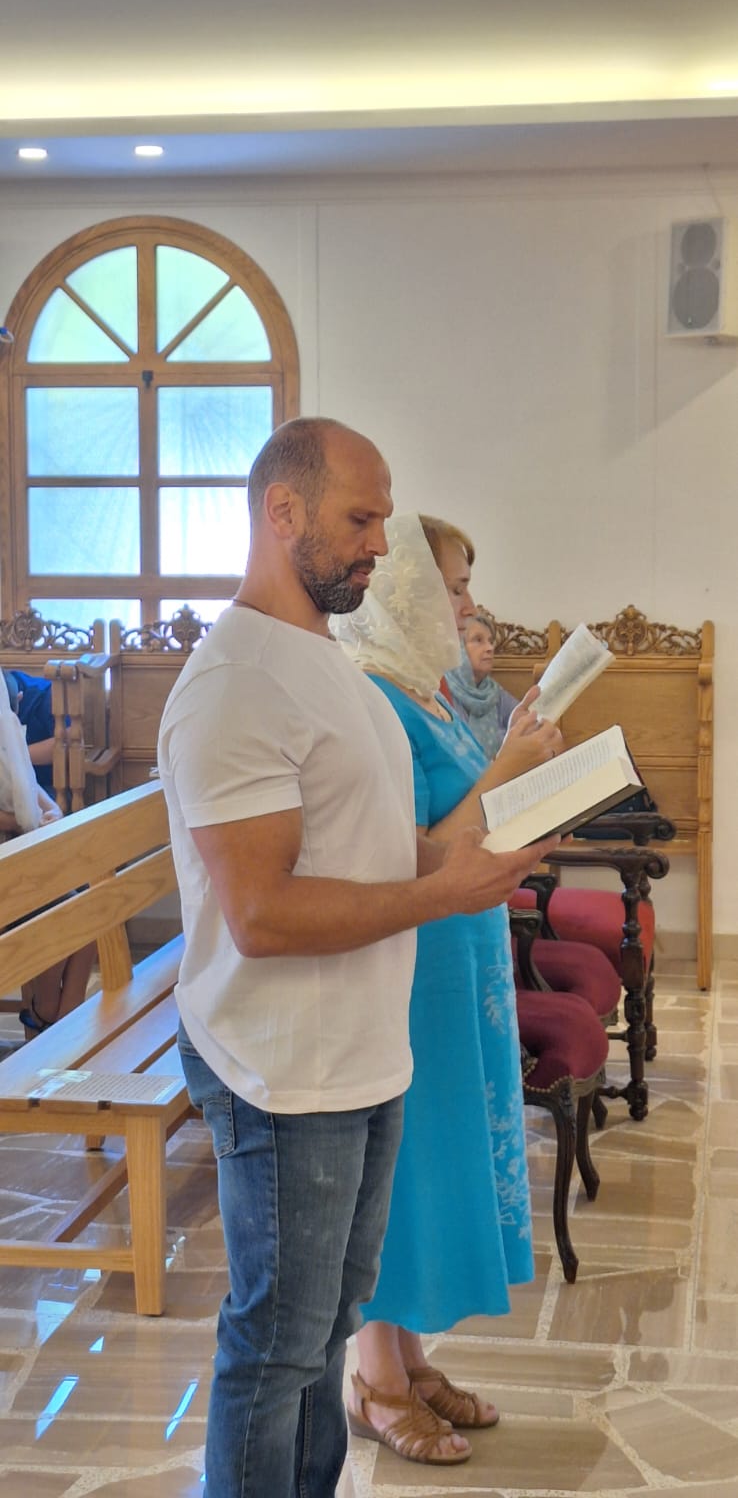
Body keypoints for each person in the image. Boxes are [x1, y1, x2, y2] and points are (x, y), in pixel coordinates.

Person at [156, 418, 559, 1497]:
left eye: (384, 518)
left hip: (362, 1054)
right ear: (281, 511)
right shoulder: (237, 682)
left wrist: (470, 854)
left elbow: (383, 844)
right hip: (283, 1069)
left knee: (326, 1329)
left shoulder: (328, 663)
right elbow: (261, 914)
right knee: (278, 1344)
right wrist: (441, 891)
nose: (383, 543)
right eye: (362, 518)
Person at [336, 511, 563, 1468]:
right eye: (455, 587)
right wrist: (509, 767)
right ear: (408, 592)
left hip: (459, 954)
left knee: (433, 1159)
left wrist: (531, 772)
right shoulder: (370, 697)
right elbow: (412, 850)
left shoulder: (421, 692)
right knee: (407, 1168)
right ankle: (373, 1380)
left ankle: (410, 1359)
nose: (469, 603)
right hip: (413, 963)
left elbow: (471, 817)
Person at [0, 670, 96, 1034]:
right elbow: (14, 818)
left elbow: (41, 799)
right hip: (9, 870)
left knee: (92, 912)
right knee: (63, 918)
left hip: (24, 860)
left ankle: (58, 1020)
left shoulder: (10, 754)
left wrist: (51, 814)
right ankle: (49, 1018)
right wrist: (18, 821)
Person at [443, 611, 518, 759]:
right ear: (458, 647)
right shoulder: (441, 691)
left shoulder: (493, 692)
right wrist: (504, 737)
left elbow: (525, 723)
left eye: (490, 641)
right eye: (478, 640)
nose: (490, 648)